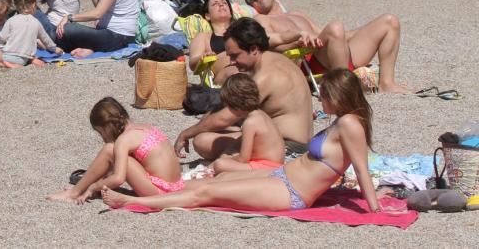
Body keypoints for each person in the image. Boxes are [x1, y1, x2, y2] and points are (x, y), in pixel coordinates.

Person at [105, 69, 384, 214]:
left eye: (324, 94)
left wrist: (373, 206)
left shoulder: (349, 124)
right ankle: (154, 193)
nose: (320, 99)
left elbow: (360, 167)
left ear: (339, 95)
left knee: (206, 194)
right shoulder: (343, 120)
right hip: (280, 175)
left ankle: (132, 203)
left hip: (291, 193)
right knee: (206, 183)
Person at [174, 18, 314, 159]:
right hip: (296, 142)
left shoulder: (264, 76)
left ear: (253, 49)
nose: (231, 62)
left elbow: (225, 117)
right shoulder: (274, 59)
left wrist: (186, 133)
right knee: (211, 132)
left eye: (235, 56)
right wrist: (204, 122)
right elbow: (225, 109)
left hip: (289, 149)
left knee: (202, 141)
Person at [243, 0, 409, 93]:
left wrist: (359, 32)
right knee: (335, 26)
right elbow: (267, 41)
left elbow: (326, 33)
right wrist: (295, 40)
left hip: (333, 52)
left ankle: (387, 83)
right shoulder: (261, 20)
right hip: (311, 60)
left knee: (389, 21)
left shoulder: (297, 14)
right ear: (252, 5)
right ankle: (345, 90)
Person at [48, 97, 183, 203]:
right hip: (176, 187)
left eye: (101, 132)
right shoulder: (145, 127)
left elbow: (118, 178)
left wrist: (93, 187)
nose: (102, 138)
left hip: (159, 193)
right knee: (116, 154)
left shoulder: (123, 140)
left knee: (109, 150)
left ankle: (74, 192)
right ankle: (79, 188)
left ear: (107, 126)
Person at [210, 74, 285, 174]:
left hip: (266, 168)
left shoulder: (249, 123)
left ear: (234, 105)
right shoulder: (262, 114)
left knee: (219, 164)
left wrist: (227, 159)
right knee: (226, 157)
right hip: (275, 164)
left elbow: (243, 159)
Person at [0, 0, 63, 68]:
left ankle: (7, 65)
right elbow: (46, 39)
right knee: (15, 59)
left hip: (9, 55)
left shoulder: (11, 20)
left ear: (17, 6)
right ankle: (13, 65)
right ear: (33, 5)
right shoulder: (36, 22)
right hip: (24, 59)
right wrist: (54, 48)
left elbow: (2, 38)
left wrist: (2, 44)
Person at [187, 0, 245, 85]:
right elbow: (193, 64)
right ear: (207, 16)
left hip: (252, 66)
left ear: (230, 12)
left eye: (224, 3)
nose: (221, 4)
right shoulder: (204, 37)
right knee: (236, 74)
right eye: (215, 4)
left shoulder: (244, 28)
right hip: (228, 72)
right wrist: (203, 57)